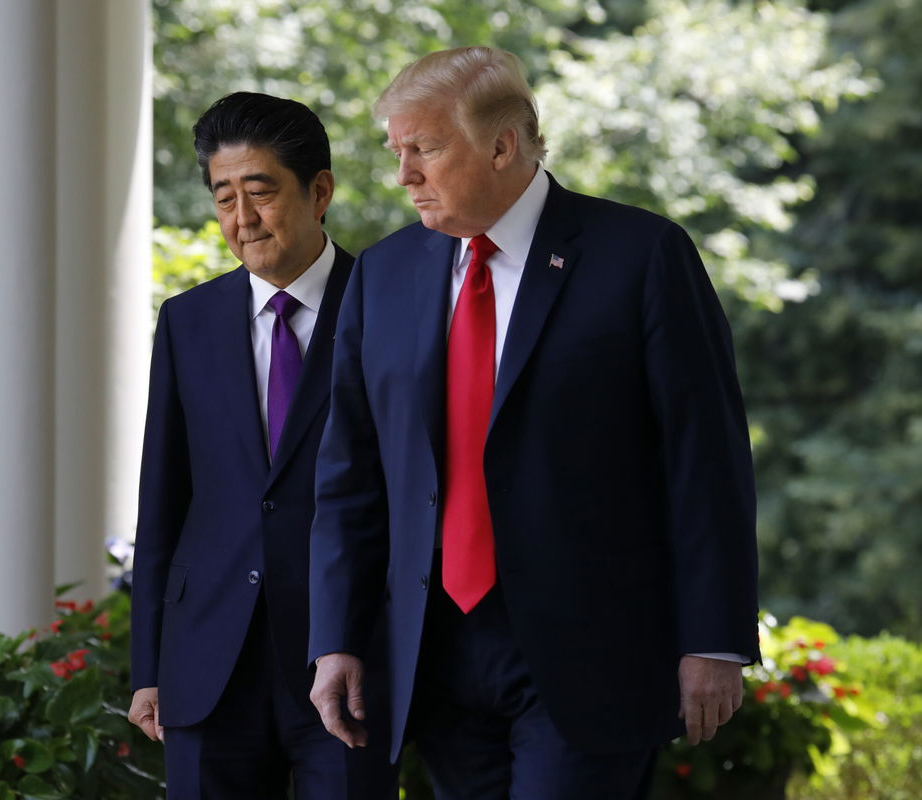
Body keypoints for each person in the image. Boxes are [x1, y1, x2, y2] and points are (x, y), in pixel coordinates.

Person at [307, 47, 759, 800]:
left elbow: (704, 460)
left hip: (591, 653)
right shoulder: (382, 275)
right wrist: (335, 640)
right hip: (434, 651)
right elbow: (348, 472)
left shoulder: (642, 257)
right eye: (397, 151)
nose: (403, 175)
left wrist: (713, 640)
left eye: (424, 149)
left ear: (501, 144)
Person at [129, 92, 396, 800]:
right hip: (208, 660)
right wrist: (149, 666)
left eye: (260, 193)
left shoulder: (389, 305)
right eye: (223, 199)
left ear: (320, 191)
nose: (241, 220)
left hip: (347, 659)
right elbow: (164, 498)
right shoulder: (188, 321)